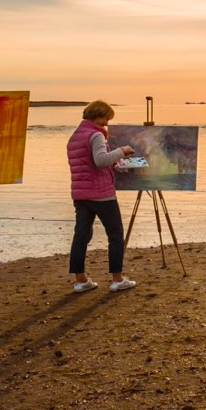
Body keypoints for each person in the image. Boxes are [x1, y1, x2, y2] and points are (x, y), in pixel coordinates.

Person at [66, 100, 137, 293]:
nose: (106, 123)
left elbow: (87, 163)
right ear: (98, 116)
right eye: (106, 119)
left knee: (81, 235)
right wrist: (121, 151)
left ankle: (80, 280)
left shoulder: (75, 136)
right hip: (101, 194)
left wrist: (114, 164)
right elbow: (99, 160)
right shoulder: (95, 134)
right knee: (115, 235)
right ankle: (117, 279)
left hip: (80, 194)